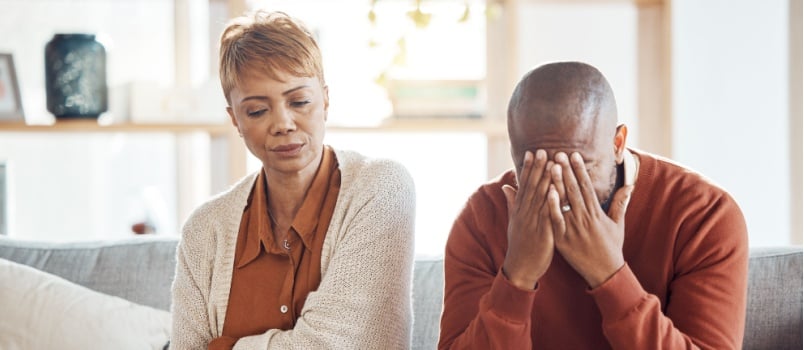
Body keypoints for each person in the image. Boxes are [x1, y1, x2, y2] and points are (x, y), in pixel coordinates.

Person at [438, 61, 748, 349]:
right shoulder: (480, 219)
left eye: (580, 166)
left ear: (617, 144)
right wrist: (516, 277)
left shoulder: (704, 215)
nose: (559, 186)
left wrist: (609, 274)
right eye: (535, 167)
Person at [169, 10, 416, 350]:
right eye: (257, 110)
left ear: (326, 100)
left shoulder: (382, 189)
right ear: (235, 119)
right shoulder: (203, 231)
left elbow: (328, 345)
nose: (283, 123)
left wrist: (225, 345)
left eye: (299, 101)